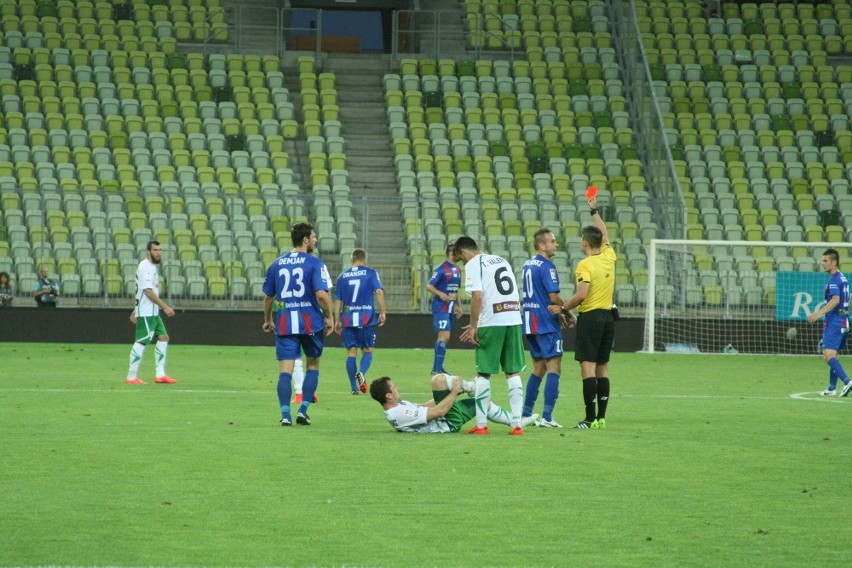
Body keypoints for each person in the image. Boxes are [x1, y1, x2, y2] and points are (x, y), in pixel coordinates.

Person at [263, 222, 335, 426]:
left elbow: (269, 297)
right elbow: (321, 294)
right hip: (311, 323)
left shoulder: (276, 264)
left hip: (285, 323)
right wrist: (329, 317)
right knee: (313, 365)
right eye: (313, 236)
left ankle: (285, 414)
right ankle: (303, 410)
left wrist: (268, 320)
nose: (315, 240)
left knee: (285, 370)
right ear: (305, 240)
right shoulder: (315, 263)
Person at [555, 193, 616, 429]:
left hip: (591, 318)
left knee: (587, 369)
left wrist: (562, 308)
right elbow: (605, 234)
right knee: (603, 368)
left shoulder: (585, 264)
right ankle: (601, 418)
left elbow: (581, 294)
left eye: (582, 240)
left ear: (585, 243)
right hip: (609, 317)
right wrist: (594, 211)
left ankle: (589, 419)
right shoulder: (609, 256)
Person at [454, 235, 526, 435]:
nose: (463, 263)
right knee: (512, 372)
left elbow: (477, 296)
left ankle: (481, 424)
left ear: (464, 252)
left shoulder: (474, 264)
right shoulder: (501, 259)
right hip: (513, 318)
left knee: (483, 372)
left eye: (462, 259)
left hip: (491, 320)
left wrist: (473, 325)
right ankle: (517, 425)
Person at [370, 374, 538, 434]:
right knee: (438, 380)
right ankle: (471, 386)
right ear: (388, 395)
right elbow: (438, 413)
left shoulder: (400, 406)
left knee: (482, 404)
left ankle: (516, 422)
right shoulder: (397, 414)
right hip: (447, 423)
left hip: (446, 418)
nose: (398, 388)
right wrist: (454, 391)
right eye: (394, 387)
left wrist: (458, 392)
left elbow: (427, 406)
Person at [521, 229, 571, 428]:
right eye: (552, 241)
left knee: (538, 368)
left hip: (530, 322)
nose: (556, 244)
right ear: (542, 245)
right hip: (546, 322)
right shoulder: (548, 267)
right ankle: (547, 417)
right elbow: (553, 297)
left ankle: (525, 413)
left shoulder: (527, 264)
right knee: (554, 368)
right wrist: (568, 311)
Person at [333, 248, 386, 394]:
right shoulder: (370, 273)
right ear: (364, 259)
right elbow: (379, 291)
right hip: (366, 318)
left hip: (348, 318)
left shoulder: (342, 276)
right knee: (368, 350)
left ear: (352, 259)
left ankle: (353, 388)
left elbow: (338, 300)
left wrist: (337, 320)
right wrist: (383, 311)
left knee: (351, 352)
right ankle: (361, 372)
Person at [125, 240, 177, 385]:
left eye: (160, 250)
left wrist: (135, 309)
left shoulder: (150, 267)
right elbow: (147, 291)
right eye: (155, 250)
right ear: (148, 252)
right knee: (142, 341)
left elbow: (140, 290)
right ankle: (131, 376)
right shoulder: (147, 267)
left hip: (152, 311)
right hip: (147, 312)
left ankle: (160, 374)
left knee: (163, 337)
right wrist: (165, 307)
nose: (158, 253)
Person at [807, 248, 851, 397]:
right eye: (822, 260)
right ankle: (832, 388)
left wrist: (818, 313)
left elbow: (835, 300)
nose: (822, 263)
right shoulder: (843, 278)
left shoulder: (834, 281)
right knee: (832, 355)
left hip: (835, 322)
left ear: (834, 262)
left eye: (825, 261)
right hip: (844, 320)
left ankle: (847, 381)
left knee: (828, 355)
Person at [426, 244, 463, 375]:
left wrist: (459, 305)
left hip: (450, 308)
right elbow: (429, 286)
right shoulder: (441, 269)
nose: (460, 255)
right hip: (440, 307)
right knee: (444, 336)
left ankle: (438, 368)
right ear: (451, 253)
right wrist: (440, 293)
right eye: (457, 253)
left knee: (444, 337)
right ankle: (436, 369)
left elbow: (456, 289)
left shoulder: (458, 270)